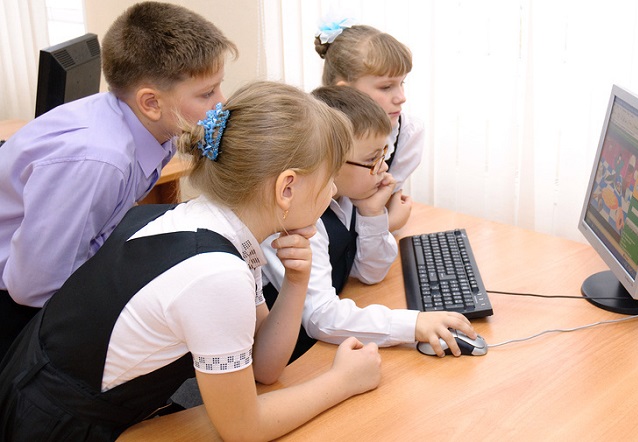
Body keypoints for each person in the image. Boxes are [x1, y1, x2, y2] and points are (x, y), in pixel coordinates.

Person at [0, 81, 382, 441]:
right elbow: (243, 429)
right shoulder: (215, 273)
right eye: (328, 179)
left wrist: (296, 283)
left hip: (60, 397)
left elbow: (264, 367)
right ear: (287, 188)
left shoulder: (217, 225)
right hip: (54, 426)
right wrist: (342, 382)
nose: (333, 190)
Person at [0, 1, 237, 359]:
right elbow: (32, 287)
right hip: (16, 307)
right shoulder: (100, 162)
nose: (222, 102)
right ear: (151, 103)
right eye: (207, 93)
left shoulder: (156, 129)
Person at [262, 85, 475, 362]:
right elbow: (320, 316)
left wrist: (372, 213)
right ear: (330, 163)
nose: (383, 168)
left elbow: (370, 272)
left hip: (321, 343)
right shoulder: (296, 220)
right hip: (291, 357)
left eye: (383, 155)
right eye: (372, 159)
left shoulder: (349, 198)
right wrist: (413, 325)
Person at [314, 20, 422, 231]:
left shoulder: (407, 133)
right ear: (346, 91)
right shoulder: (313, 136)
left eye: (402, 83)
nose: (401, 97)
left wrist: (382, 222)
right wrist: (389, 223)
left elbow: (380, 205)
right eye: (386, 87)